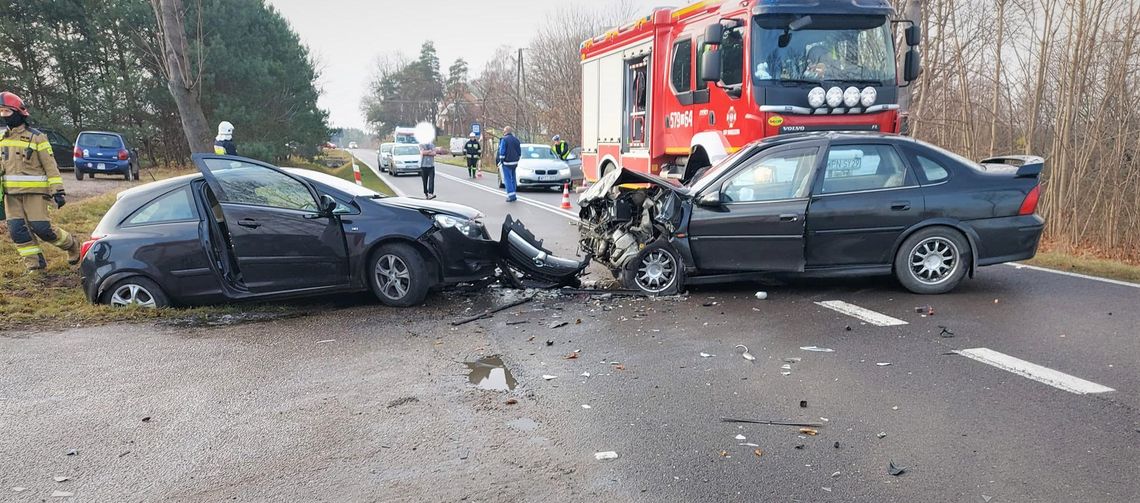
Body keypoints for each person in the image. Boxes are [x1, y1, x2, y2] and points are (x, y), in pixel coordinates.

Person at [0, 91, 80, 273]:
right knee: (18, 232)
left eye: (7, 111)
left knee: (43, 229)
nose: (4, 116)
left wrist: (58, 191)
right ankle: (35, 266)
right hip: (10, 196)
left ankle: (72, 245)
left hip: (35, 193)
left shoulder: (37, 138)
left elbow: (51, 166)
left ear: (19, 112)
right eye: (1, 112)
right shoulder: (2, 139)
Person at [497, 126, 521, 202]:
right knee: (513, 178)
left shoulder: (504, 139)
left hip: (507, 162)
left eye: (504, 131)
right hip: (515, 162)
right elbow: (519, 152)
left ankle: (511, 195)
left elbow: (502, 151)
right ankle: (514, 192)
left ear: (506, 132)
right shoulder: (516, 140)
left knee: (507, 179)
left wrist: (501, 160)